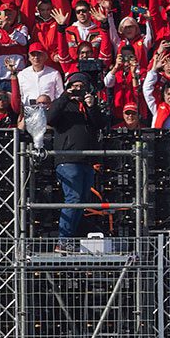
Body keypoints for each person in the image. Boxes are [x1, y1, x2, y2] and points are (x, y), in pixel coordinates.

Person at [46, 72, 106, 247]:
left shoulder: (89, 106)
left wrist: (92, 106)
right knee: (73, 198)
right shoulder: (63, 104)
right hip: (68, 159)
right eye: (75, 86)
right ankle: (63, 240)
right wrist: (66, 96)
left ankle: (70, 238)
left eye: (81, 86)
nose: (78, 89)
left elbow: (100, 124)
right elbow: (50, 118)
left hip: (87, 160)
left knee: (82, 200)